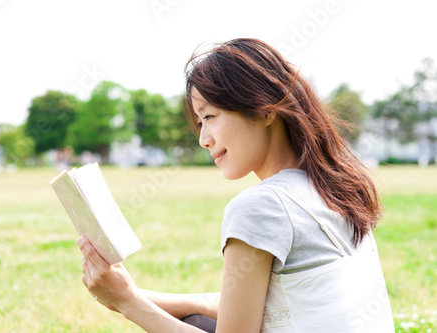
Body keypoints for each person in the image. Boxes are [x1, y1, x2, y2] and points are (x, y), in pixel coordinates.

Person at [77, 38, 395, 332]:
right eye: (200, 122)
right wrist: (122, 292)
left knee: (196, 322)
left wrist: (128, 303)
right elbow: (246, 305)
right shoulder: (337, 188)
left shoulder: (263, 206)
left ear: (265, 109)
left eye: (211, 116)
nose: (204, 138)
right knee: (198, 318)